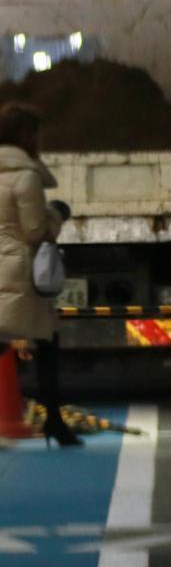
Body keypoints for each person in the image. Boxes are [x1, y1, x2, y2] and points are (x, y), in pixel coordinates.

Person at [0, 103, 77, 447]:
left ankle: (56, 423)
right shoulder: (26, 176)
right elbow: (34, 231)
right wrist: (57, 214)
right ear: (25, 136)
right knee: (47, 342)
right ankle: (54, 422)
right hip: (19, 270)